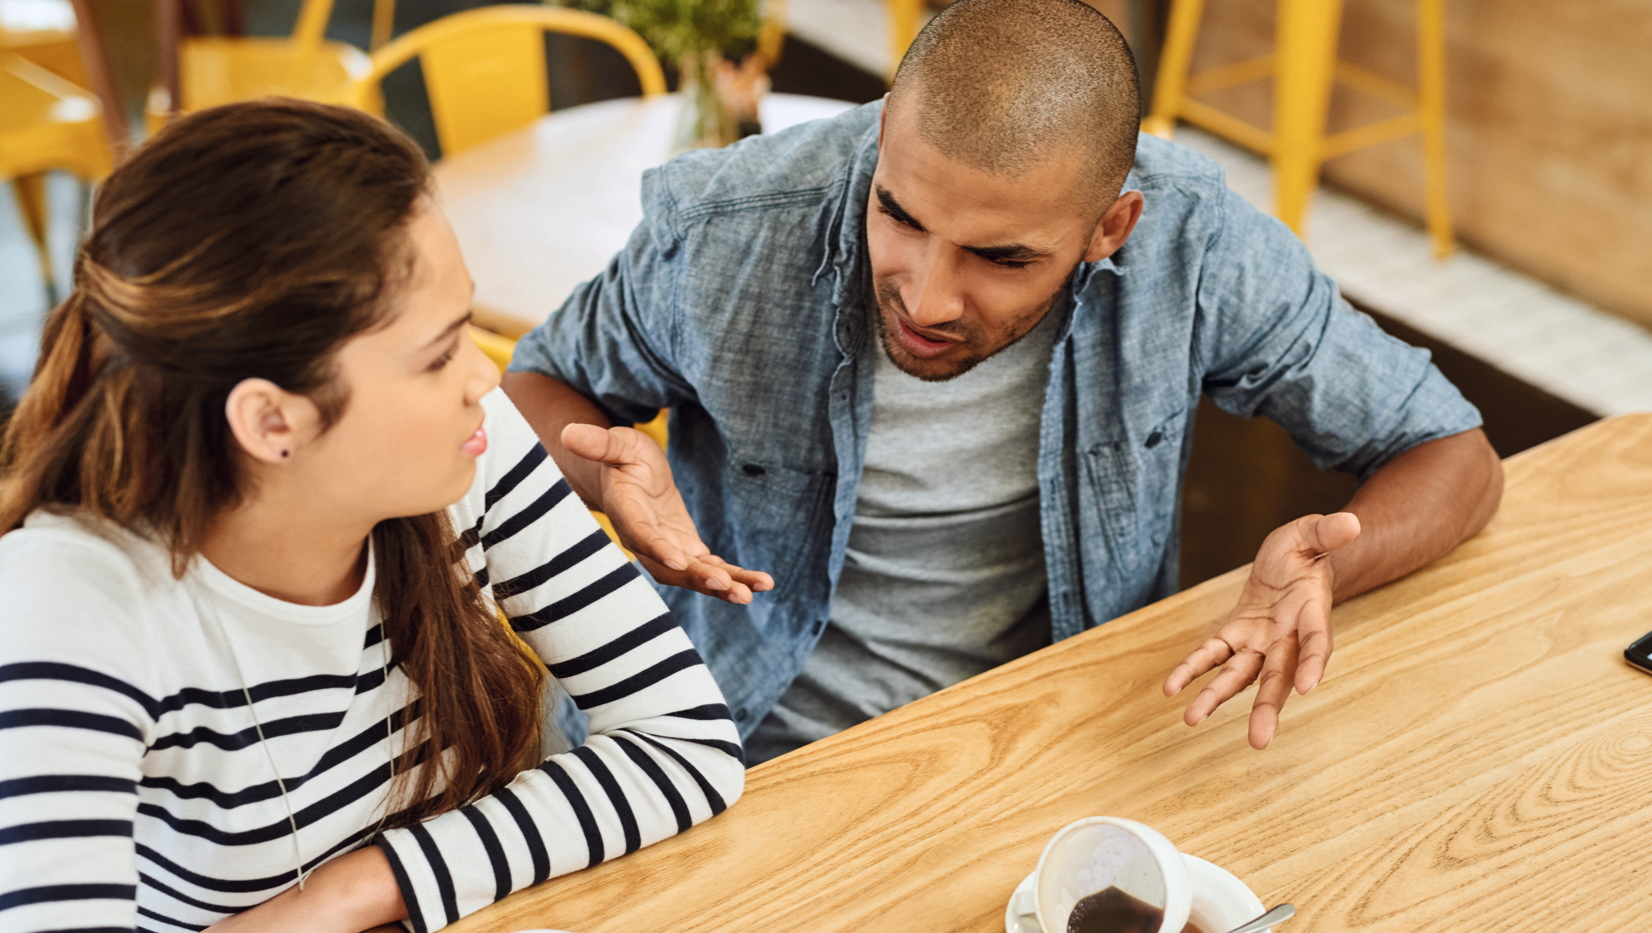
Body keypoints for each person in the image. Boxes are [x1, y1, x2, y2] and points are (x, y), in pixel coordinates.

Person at [0, 100, 744, 933]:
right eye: (435, 353)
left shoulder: (464, 457)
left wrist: (348, 893)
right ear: (273, 421)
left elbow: (687, 747)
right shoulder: (79, 601)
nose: (487, 370)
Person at [502, 0, 1504, 762]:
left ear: (1110, 227)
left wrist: (1327, 569)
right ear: (884, 134)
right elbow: (538, 383)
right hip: (720, 735)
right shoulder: (729, 229)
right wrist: (599, 474)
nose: (927, 297)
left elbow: (1453, 454)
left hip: (1037, 747)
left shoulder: (1196, 243)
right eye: (897, 213)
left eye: (1001, 257)